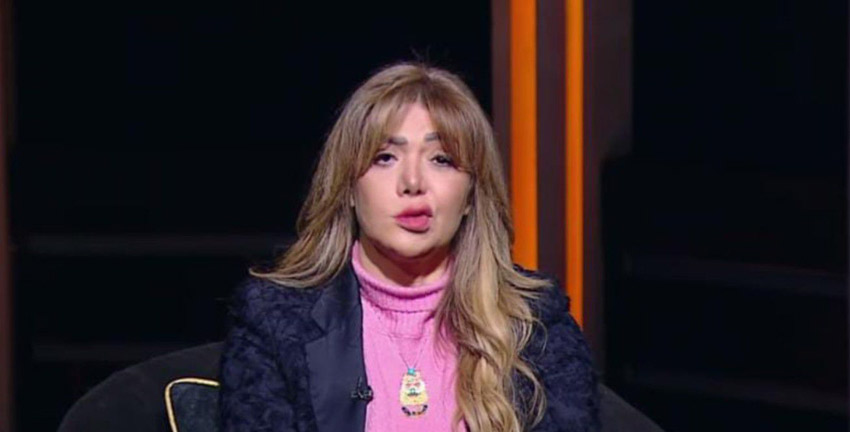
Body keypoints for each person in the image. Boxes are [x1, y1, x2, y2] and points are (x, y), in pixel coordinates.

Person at [219, 62, 599, 432]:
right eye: (385, 158)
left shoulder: (536, 325)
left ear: (471, 195)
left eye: (441, 160)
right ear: (348, 187)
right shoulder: (274, 322)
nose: (413, 182)